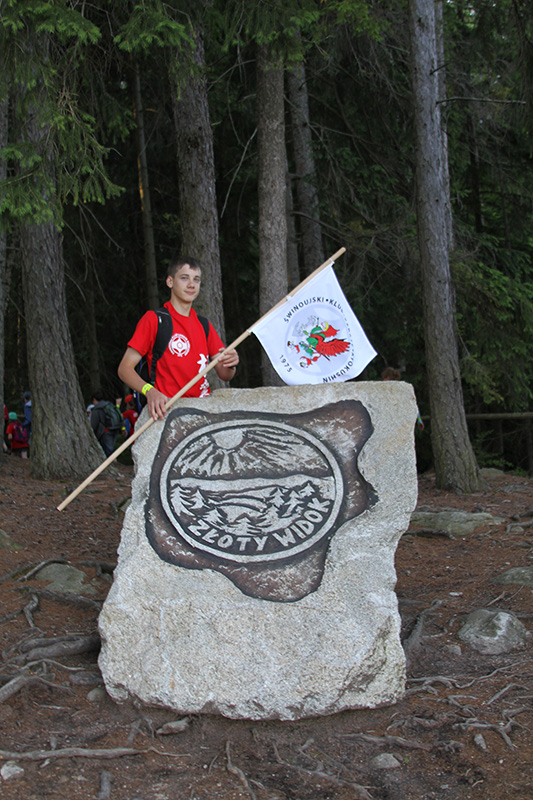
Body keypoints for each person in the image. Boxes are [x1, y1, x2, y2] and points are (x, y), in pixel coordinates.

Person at [117, 256, 239, 421]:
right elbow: (124, 369)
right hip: (167, 412)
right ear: (170, 282)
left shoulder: (204, 325)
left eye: (196, 279)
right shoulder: (154, 320)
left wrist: (231, 363)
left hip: (202, 412)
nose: (191, 285)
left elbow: (225, 374)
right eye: (184, 278)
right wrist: (149, 391)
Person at [382, 366, 424, 431]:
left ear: (389, 378)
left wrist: (419, 421)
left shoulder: (402, 389)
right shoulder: (385, 390)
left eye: (385, 378)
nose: (383, 380)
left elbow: (413, 405)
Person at [90, 390, 121, 457]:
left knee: (108, 449)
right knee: (111, 446)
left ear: (94, 399)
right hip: (115, 428)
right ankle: (113, 459)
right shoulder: (109, 405)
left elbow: (94, 423)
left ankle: (112, 460)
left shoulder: (97, 409)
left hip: (105, 431)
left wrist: (91, 431)